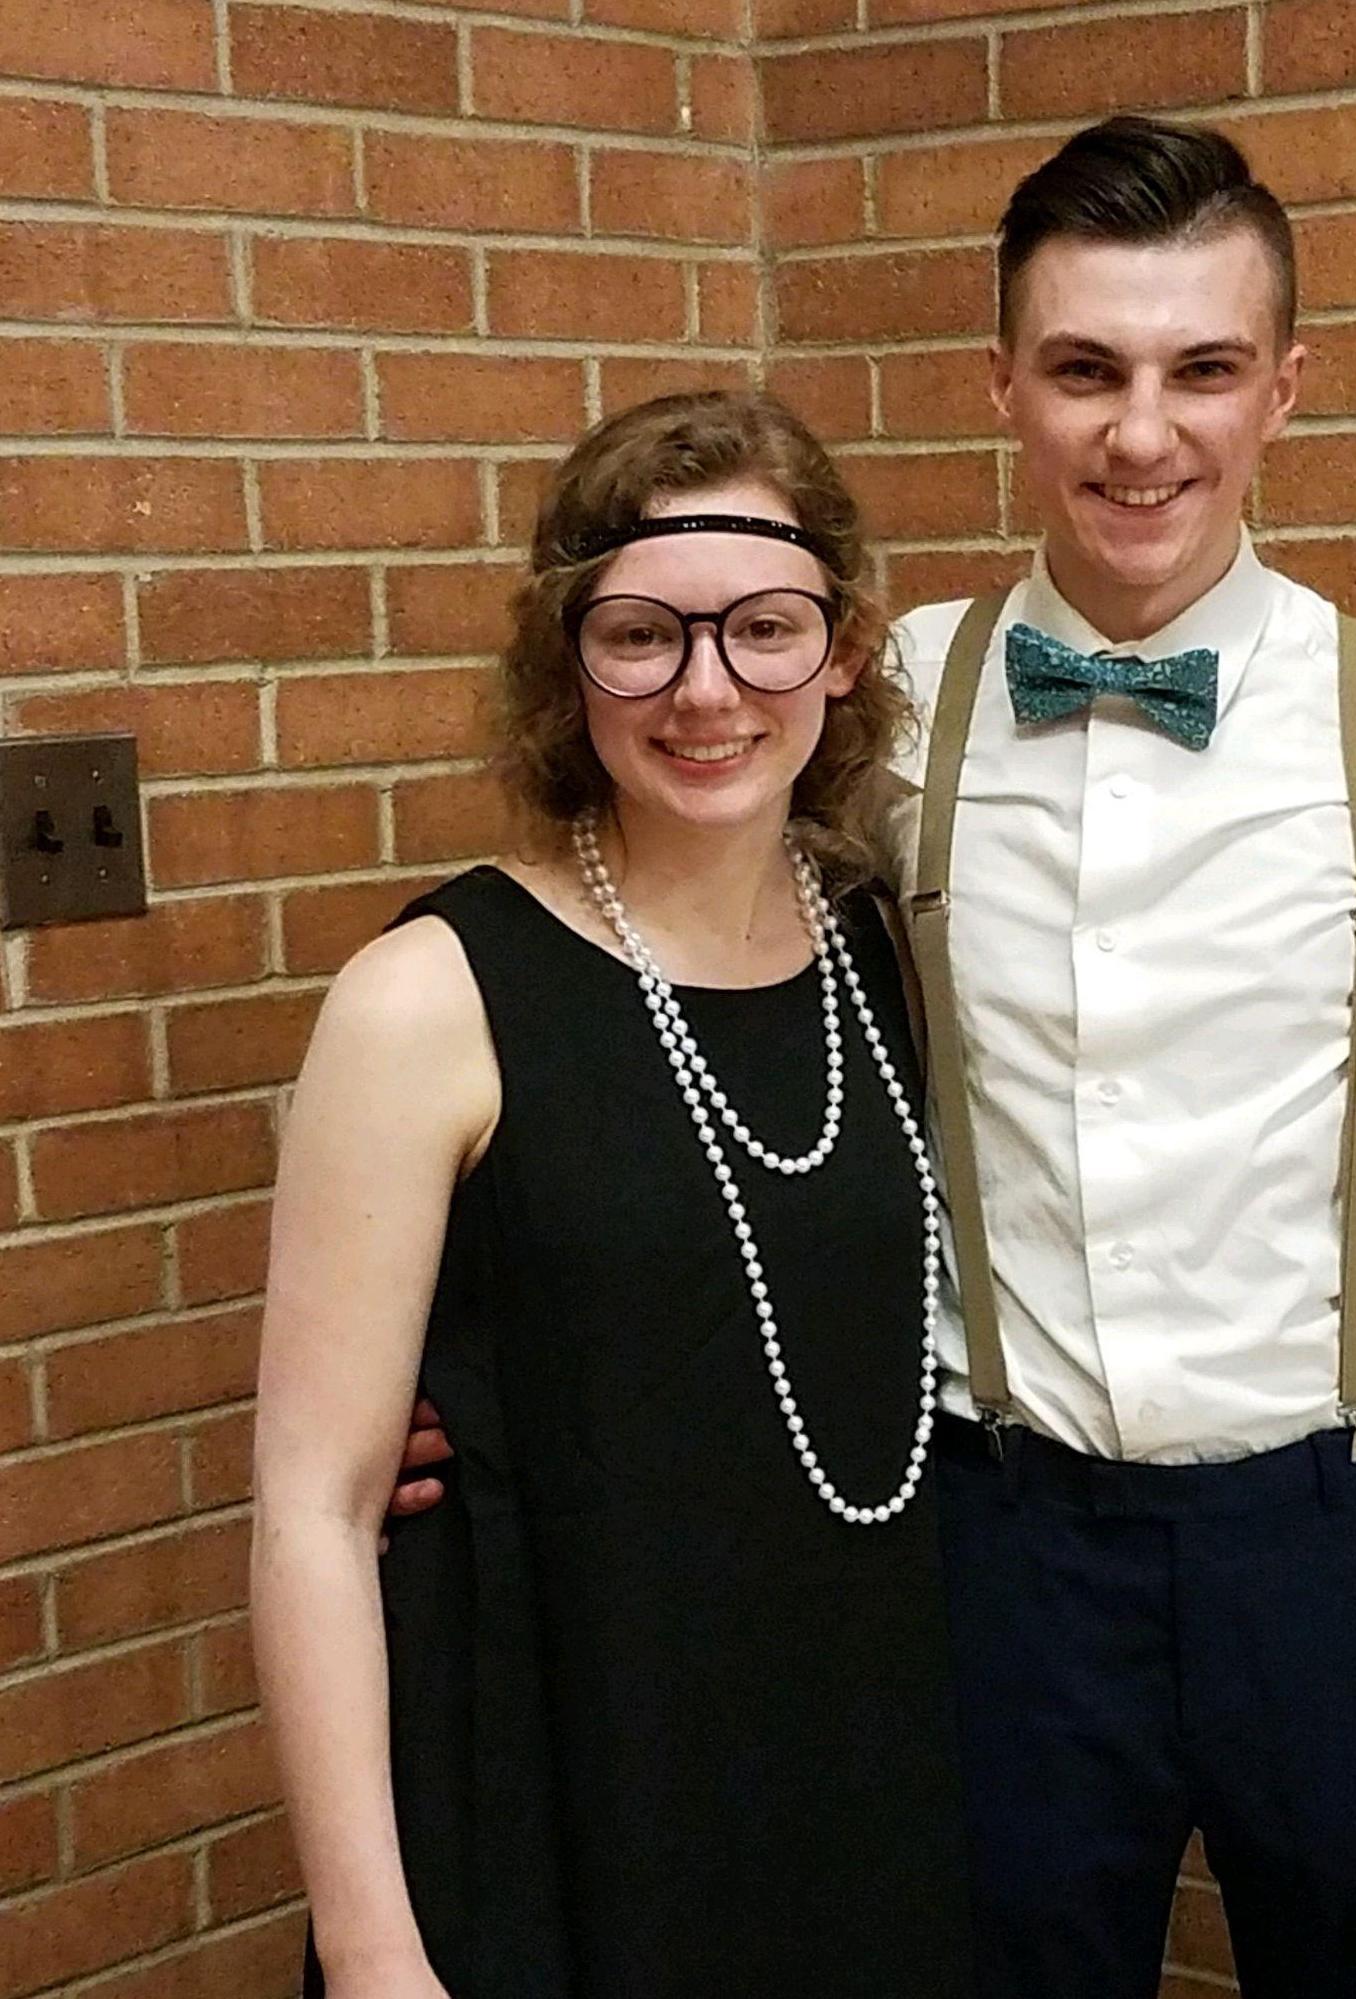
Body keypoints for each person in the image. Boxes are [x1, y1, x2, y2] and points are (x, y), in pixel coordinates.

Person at [398, 115, 1356, 1999]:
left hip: (1339, 1548)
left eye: (1202, 370)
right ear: (1003, 388)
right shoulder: (871, 706)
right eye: (1085, 370)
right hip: (994, 1554)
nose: (1143, 434)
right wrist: (486, 1375)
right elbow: (665, 983)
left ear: (1283, 389)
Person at [251, 391, 975, 1999]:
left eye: (764, 629)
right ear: (566, 661)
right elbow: (311, 1510)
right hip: (551, 1794)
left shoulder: (875, 944)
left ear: (843, 651)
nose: (706, 691)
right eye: (642, 635)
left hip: (852, 1785)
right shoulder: (427, 997)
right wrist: (372, 1952)